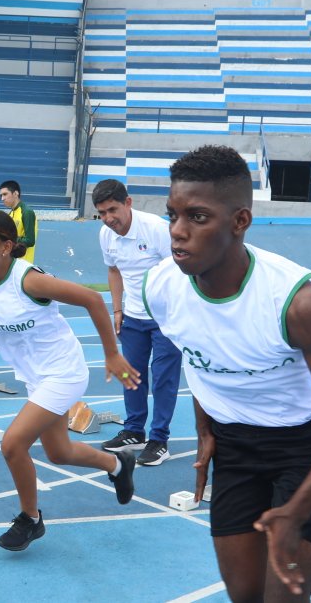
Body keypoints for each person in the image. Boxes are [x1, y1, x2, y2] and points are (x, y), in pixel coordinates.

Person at [142, 145, 311, 601]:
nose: (177, 232)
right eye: (173, 215)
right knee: (246, 593)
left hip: (307, 444)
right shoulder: (161, 287)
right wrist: (205, 429)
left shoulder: (297, 304)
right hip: (235, 444)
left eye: (197, 217)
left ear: (240, 221)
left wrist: (296, 511)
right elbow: (199, 352)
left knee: (281, 596)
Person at [0, 210, 140, 551]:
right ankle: (117, 464)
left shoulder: (29, 280)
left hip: (63, 372)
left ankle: (30, 519)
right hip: (36, 376)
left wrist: (111, 354)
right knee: (59, 453)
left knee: (12, 444)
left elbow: (93, 300)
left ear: (6, 246)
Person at [93, 178, 182, 466]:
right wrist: (117, 310)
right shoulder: (106, 235)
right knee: (130, 375)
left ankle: (159, 440)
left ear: (128, 203)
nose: (108, 218)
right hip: (132, 317)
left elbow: (180, 269)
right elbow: (114, 271)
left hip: (165, 318)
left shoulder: (156, 229)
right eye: (102, 213)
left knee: (164, 378)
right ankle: (134, 431)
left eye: (112, 210)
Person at [0, 180, 38, 263]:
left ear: (15, 193)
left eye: (5, 194)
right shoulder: (11, 214)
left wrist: (9, 239)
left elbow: (30, 241)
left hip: (23, 263)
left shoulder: (27, 212)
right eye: (1, 195)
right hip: (11, 261)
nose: (2, 198)